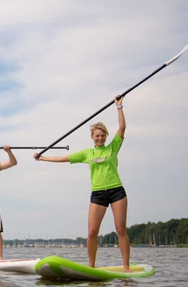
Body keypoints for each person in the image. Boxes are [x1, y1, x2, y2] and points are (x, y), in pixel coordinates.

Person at [34, 96, 129, 271]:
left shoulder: (113, 147)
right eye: (97, 136)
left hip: (116, 191)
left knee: (120, 229)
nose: (100, 138)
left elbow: (122, 127)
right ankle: (91, 266)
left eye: (102, 135)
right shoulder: (87, 153)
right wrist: (43, 158)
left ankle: (126, 266)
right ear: (92, 137)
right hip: (98, 193)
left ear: (106, 136)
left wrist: (119, 106)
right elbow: (64, 158)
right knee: (92, 232)